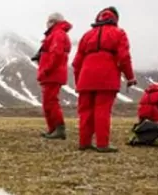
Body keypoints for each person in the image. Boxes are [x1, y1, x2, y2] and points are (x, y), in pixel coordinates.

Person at [72, 6, 137, 152]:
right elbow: (124, 57)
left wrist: (79, 82)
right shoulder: (119, 33)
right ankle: (102, 144)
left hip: (86, 78)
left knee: (85, 111)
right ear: (115, 19)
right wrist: (130, 77)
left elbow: (76, 63)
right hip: (107, 77)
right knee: (102, 110)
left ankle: (84, 142)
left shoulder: (87, 35)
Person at [33, 12, 72, 140]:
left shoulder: (58, 34)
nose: (47, 23)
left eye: (49, 21)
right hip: (51, 74)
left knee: (51, 101)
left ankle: (59, 129)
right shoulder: (55, 34)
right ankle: (53, 129)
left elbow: (56, 54)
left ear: (54, 22)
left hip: (52, 74)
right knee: (48, 102)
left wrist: (46, 69)